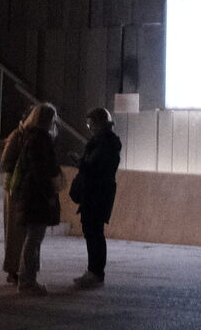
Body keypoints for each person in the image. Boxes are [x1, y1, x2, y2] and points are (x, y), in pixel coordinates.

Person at [12, 101, 62, 296]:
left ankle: (27, 280)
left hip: (30, 194)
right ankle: (27, 282)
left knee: (32, 239)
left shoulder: (30, 137)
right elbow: (41, 171)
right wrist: (49, 194)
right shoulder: (41, 140)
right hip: (37, 196)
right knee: (34, 240)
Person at [70, 106, 122, 289]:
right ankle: (94, 270)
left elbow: (95, 167)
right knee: (92, 232)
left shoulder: (104, 144)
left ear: (100, 123)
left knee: (94, 233)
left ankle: (96, 272)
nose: (90, 127)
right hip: (96, 192)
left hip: (97, 193)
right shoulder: (103, 142)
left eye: (91, 123)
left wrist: (80, 162)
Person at [0, 120, 26, 284]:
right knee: (14, 232)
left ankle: (20, 269)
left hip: (24, 187)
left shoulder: (35, 136)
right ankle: (13, 269)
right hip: (16, 187)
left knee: (24, 234)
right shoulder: (18, 136)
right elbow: (5, 163)